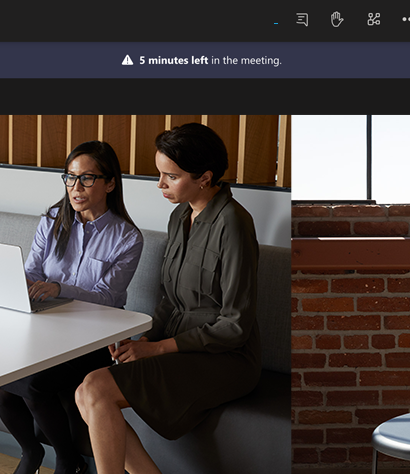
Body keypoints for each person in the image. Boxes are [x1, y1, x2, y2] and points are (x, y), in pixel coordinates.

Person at [73, 123, 261, 474]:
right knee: (85, 392)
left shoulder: (234, 223)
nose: (160, 185)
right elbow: (169, 300)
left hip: (227, 358)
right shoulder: (180, 216)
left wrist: (158, 349)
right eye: (160, 174)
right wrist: (145, 339)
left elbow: (235, 325)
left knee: (96, 387)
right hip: (179, 345)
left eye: (170, 177)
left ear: (204, 177)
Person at [0, 141, 143, 474]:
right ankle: (31, 452)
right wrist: (10, 281)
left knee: (33, 385)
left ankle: (67, 459)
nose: (75, 188)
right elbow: (33, 270)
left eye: (87, 178)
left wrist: (60, 288)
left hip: (95, 338)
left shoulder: (127, 237)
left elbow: (107, 296)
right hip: (46, 328)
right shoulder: (52, 220)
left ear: (110, 183)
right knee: (1, 386)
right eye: (70, 178)